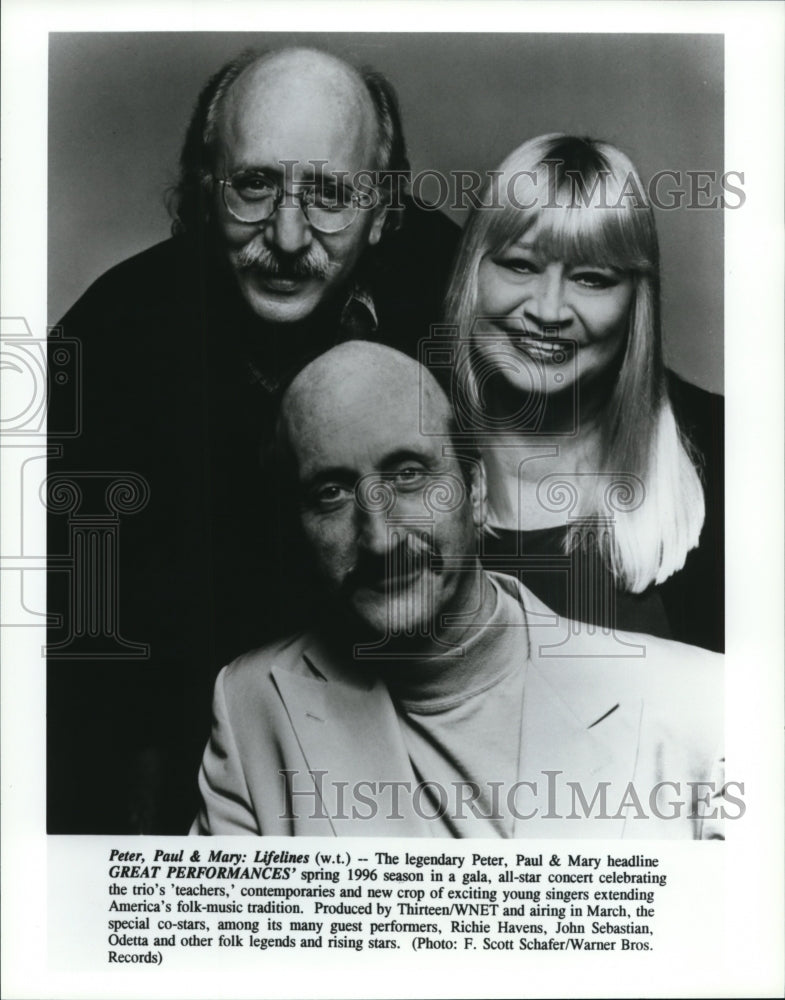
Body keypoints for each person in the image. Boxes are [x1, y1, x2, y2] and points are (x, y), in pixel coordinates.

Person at [46, 47, 459, 834]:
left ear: (384, 210)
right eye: (255, 184)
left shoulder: (451, 292)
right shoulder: (107, 340)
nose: (289, 233)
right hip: (174, 756)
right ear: (207, 189)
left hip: (400, 740)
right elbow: (78, 656)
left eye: (332, 194)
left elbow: (609, 393)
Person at [191, 342, 725, 839]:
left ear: (474, 490)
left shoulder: (703, 703)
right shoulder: (250, 707)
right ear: (297, 524)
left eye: (408, 475)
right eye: (330, 493)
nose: (379, 539)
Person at [442, 134, 723, 653]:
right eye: (520, 265)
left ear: (637, 302)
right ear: (471, 273)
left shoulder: (735, 459)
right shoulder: (395, 449)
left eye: (591, 279)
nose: (548, 311)